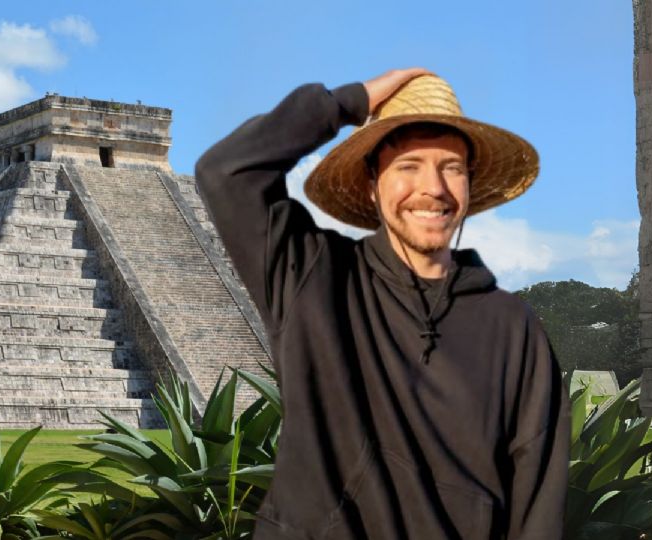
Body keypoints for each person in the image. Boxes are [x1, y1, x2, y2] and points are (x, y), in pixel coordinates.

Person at [195, 69, 570, 539]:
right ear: (373, 183)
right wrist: (350, 102)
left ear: (469, 188)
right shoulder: (311, 276)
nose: (432, 187)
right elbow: (226, 171)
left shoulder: (514, 325)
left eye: (452, 167)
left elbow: (538, 492)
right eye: (408, 165)